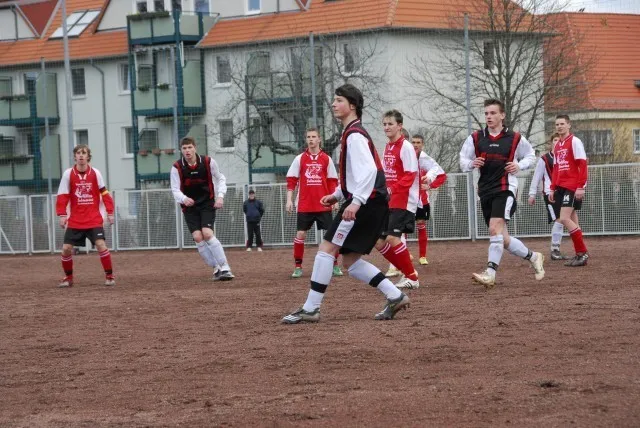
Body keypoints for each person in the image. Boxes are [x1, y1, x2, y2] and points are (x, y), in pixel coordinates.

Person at [282, 84, 410, 324]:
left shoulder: (354, 135)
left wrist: (355, 202)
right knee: (350, 261)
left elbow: (369, 172)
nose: (333, 104)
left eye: (339, 100)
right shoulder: (352, 133)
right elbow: (357, 175)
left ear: (352, 106)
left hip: (366, 203)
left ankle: (311, 308)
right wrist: (338, 194)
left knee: (326, 249)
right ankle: (395, 296)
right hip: (371, 202)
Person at [459, 98, 545, 289]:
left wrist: (519, 165)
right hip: (485, 191)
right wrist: (472, 163)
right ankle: (534, 257)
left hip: (506, 188)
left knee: (494, 229)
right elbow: (463, 159)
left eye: (493, 113)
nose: (489, 117)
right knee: (502, 238)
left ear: (502, 115)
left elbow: (531, 156)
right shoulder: (476, 137)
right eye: (486, 114)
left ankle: (490, 274)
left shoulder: (514, 138)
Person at [170, 136, 234, 281]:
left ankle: (225, 267)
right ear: (181, 150)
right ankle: (216, 268)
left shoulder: (208, 162)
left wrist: (220, 196)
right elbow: (175, 189)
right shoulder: (177, 167)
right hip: (189, 206)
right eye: (184, 148)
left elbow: (220, 178)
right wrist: (184, 199)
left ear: (195, 148)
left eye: (190, 147)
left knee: (207, 233)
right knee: (198, 237)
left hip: (207, 203)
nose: (187, 151)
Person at [373, 110, 421, 290]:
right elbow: (386, 172)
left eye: (390, 124)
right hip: (389, 200)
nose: (386, 127)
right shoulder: (388, 147)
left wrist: (392, 189)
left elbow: (410, 174)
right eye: (384, 124)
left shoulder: (406, 147)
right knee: (378, 241)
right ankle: (407, 271)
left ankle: (412, 277)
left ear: (400, 126)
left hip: (404, 200)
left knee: (393, 238)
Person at [286, 128, 343, 278]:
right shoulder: (299, 159)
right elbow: (291, 179)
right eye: (308, 137)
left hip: (323, 204)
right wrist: (289, 200)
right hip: (305, 204)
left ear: (319, 139)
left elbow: (332, 181)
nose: (311, 139)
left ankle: (335, 265)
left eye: (313, 137)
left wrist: (334, 199)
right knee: (300, 234)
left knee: (331, 235)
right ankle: (298, 266)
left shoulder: (326, 159)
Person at [56, 144, 115, 287]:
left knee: (101, 245)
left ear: (88, 157)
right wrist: (62, 214)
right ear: (75, 156)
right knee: (66, 249)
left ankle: (110, 276)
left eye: (84, 153)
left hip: (93, 219)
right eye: (78, 153)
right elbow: (62, 195)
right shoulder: (68, 174)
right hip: (75, 220)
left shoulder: (95, 173)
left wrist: (110, 212)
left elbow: (105, 193)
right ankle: (68, 278)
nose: (81, 155)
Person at [549, 115, 589, 266]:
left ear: (569, 125)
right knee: (573, 221)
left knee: (564, 218)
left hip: (572, 186)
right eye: (557, 124)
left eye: (562, 124)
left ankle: (582, 253)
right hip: (561, 187)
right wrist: (552, 188)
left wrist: (581, 186)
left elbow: (582, 164)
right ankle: (579, 253)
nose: (559, 126)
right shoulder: (558, 145)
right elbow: (556, 168)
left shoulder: (575, 141)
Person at [527, 133, 569, 260]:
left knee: (566, 219)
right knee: (559, 219)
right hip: (550, 193)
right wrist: (532, 194)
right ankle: (555, 250)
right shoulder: (544, 159)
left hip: (565, 191)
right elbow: (537, 176)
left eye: (559, 140)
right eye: (555, 140)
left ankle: (578, 249)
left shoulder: (565, 157)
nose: (557, 142)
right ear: (551, 143)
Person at [413, 133, 447, 265]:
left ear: (423, 144)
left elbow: (442, 175)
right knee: (402, 227)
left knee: (421, 225)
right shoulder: (406, 157)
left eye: (418, 142)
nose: (415, 145)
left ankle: (422, 256)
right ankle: (404, 254)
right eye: (413, 142)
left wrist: (430, 186)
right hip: (407, 199)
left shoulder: (426, 160)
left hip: (422, 200)